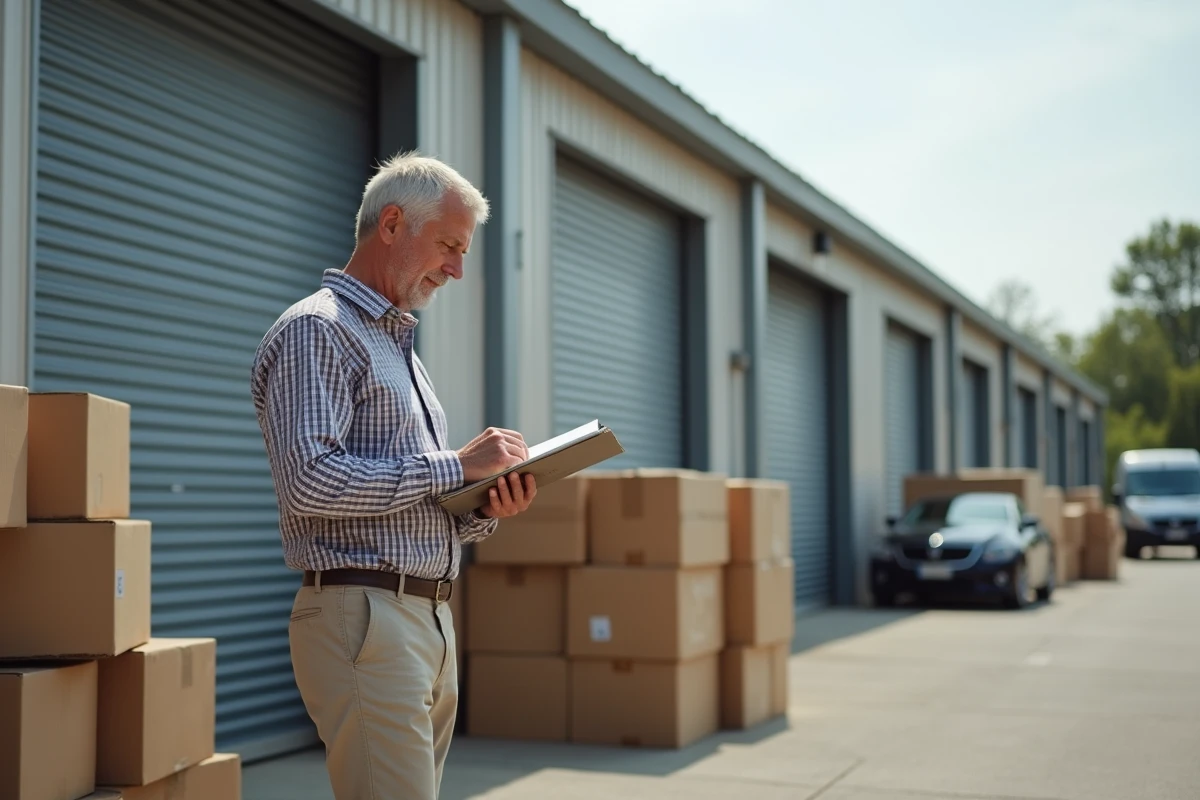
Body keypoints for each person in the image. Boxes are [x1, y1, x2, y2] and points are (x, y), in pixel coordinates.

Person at [250, 152, 536, 799]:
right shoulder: (318, 331)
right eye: (449, 247)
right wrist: (457, 464)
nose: (458, 270)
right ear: (392, 224)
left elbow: (412, 494)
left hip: (424, 617)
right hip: (365, 615)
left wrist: (484, 504)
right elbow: (311, 481)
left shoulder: (395, 344)